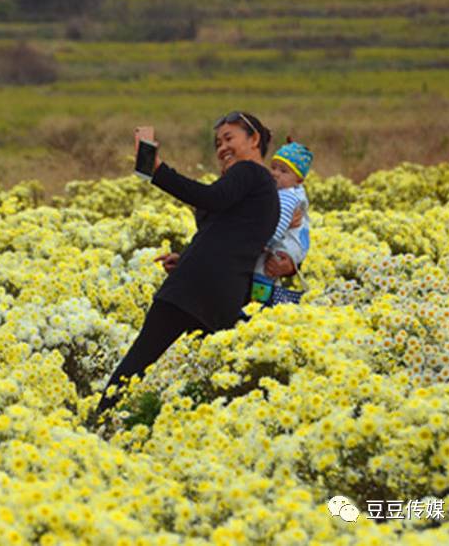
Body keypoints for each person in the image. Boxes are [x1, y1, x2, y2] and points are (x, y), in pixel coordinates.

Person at [93, 111, 280, 420]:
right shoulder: (261, 188)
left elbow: (209, 199)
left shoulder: (249, 172)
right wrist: (187, 258)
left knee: (137, 362)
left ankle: (98, 421)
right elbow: (224, 234)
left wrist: (157, 170)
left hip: (194, 287)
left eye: (229, 138)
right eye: (218, 143)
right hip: (222, 293)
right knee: (221, 377)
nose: (222, 148)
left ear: (255, 139)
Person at [250, 138, 313, 305]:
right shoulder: (295, 192)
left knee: (263, 272)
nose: (275, 173)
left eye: (283, 171)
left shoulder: (287, 196)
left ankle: (257, 305)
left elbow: (278, 223)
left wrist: (265, 242)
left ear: (299, 180)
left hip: (283, 246)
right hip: (294, 247)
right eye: (273, 168)